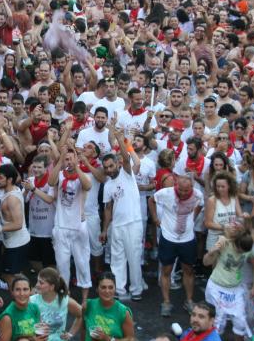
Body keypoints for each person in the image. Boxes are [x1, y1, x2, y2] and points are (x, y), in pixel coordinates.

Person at [100, 126, 144, 300]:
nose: (109, 169)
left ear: (117, 164)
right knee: (117, 259)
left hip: (133, 223)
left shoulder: (127, 174)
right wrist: (105, 229)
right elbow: (108, 209)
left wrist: (120, 139)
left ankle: (136, 290)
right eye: (106, 167)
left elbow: (126, 158)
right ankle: (119, 290)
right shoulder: (107, 185)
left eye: (111, 166)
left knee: (134, 258)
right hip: (117, 226)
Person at [201, 222, 253, 341]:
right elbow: (205, 262)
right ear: (236, 242)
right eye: (239, 249)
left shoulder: (247, 246)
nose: (241, 253)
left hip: (235, 289)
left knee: (240, 320)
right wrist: (213, 250)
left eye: (244, 251)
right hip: (217, 287)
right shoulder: (224, 243)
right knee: (218, 322)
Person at [151, 173, 203, 316]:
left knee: (188, 270)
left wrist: (193, 218)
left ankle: (189, 300)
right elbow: (151, 200)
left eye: (186, 190)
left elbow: (201, 205)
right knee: (166, 270)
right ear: (176, 185)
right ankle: (166, 302)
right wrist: (155, 218)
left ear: (192, 187)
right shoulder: (166, 193)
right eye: (180, 189)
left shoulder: (197, 195)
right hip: (168, 238)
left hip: (187, 239)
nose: (183, 193)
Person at [49, 148, 93, 302]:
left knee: (83, 264)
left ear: (77, 159)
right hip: (61, 226)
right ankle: (65, 297)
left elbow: (88, 186)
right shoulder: (60, 175)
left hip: (79, 226)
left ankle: (85, 300)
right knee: (62, 266)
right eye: (66, 159)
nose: (69, 162)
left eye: (71, 159)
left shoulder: (83, 176)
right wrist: (60, 162)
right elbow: (50, 182)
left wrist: (77, 167)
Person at [80, 272, 135, 341]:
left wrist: (107, 338)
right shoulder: (88, 306)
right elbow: (83, 329)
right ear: (97, 289)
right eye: (103, 287)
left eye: (110, 287)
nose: (107, 291)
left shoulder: (122, 312)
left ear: (115, 289)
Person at [30, 267, 81, 341]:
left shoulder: (64, 301)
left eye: (41, 283)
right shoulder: (31, 301)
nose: (36, 285)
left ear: (51, 287)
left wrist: (71, 334)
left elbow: (81, 314)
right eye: (37, 281)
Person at [0, 275, 44, 341]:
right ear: (12, 292)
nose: (22, 293)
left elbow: (39, 336)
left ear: (31, 291)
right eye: (18, 290)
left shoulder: (35, 308)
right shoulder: (7, 317)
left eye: (25, 289)